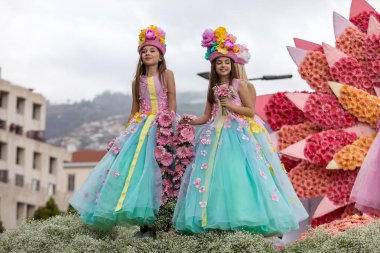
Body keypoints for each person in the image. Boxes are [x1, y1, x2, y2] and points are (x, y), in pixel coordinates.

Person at [173, 27, 308, 235]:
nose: (223, 65)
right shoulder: (212, 89)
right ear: (214, 66)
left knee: (238, 175)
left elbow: (249, 111)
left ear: (233, 64)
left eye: (227, 62)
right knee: (216, 178)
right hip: (213, 136)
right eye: (219, 63)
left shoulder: (240, 84)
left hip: (237, 135)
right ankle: (219, 222)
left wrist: (231, 106)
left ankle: (245, 219)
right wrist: (189, 120)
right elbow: (206, 116)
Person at [69, 25, 177, 235]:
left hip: (162, 124)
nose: (148, 53)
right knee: (137, 173)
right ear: (140, 56)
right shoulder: (138, 81)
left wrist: (169, 123)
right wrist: (126, 134)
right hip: (141, 128)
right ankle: (144, 225)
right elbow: (134, 109)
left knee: (162, 171)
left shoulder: (167, 75)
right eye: (144, 51)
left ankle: (163, 221)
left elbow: (172, 99)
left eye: (152, 50)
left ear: (161, 56)